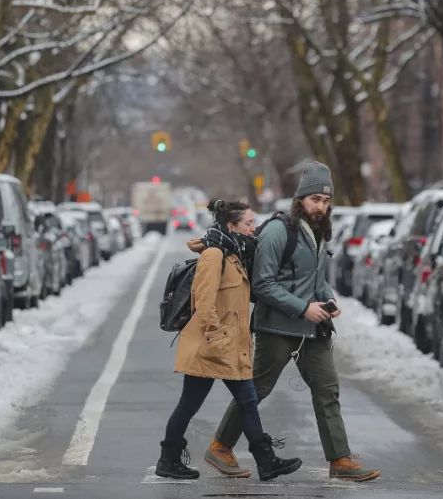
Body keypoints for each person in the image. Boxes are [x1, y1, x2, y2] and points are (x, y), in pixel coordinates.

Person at [206, 162, 381, 482]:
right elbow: (263, 284)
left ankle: (340, 460)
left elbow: (314, 278)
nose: (321, 207)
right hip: (277, 328)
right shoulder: (277, 231)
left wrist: (328, 300)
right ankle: (220, 446)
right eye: (315, 199)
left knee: (327, 390)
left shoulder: (320, 231)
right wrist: (303, 308)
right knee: (257, 389)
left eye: (326, 201)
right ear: (300, 199)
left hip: (313, 329)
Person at [157, 198, 302, 482]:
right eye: (248, 223)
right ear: (231, 225)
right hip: (213, 346)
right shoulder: (215, 255)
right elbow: (204, 301)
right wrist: (219, 337)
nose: (253, 228)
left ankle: (265, 461)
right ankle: (170, 458)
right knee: (201, 403)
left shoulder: (233, 253)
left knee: (235, 401)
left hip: (227, 347)